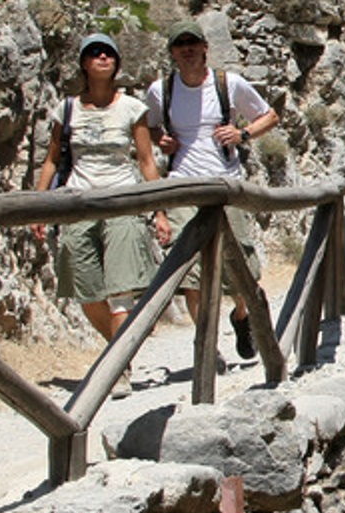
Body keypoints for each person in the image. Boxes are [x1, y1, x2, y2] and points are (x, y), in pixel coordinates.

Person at [32, 32, 174, 357]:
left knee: (120, 291)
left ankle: (118, 368)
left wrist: (159, 212)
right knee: (86, 291)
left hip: (123, 202)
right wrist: (39, 206)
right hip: (79, 203)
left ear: (117, 63)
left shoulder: (131, 109)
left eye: (108, 53)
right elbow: (53, 160)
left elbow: (146, 160)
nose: (102, 58)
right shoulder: (67, 109)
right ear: (83, 62)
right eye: (94, 53)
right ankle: (119, 352)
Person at [145, 19, 280, 361]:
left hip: (225, 183)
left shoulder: (229, 85)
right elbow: (148, 128)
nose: (187, 50)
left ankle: (241, 315)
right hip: (182, 186)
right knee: (189, 274)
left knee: (242, 269)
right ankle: (208, 347)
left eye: (193, 43)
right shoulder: (161, 90)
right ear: (173, 52)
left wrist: (243, 134)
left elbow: (270, 116)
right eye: (180, 45)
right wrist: (160, 138)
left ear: (205, 47)